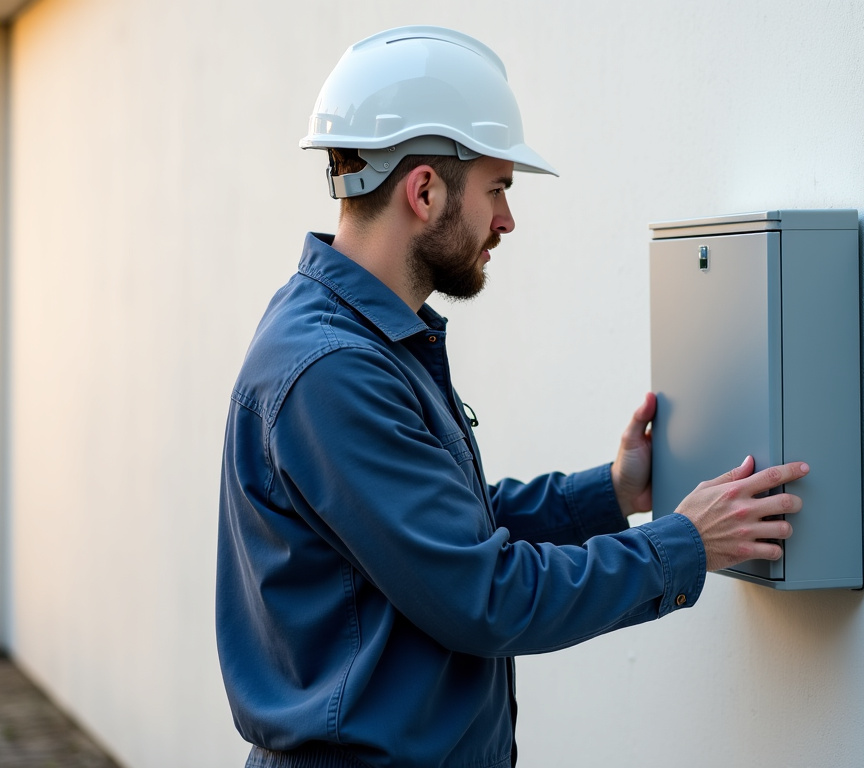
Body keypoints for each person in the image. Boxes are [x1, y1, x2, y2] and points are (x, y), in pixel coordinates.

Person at [216, 26, 806, 768]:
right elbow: (483, 594)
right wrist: (684, 544)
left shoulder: (354, 339)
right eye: (497, 188)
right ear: (424, 191)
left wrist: (614, 492)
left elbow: (444, 533)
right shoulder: (335, 371)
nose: (507, 219)